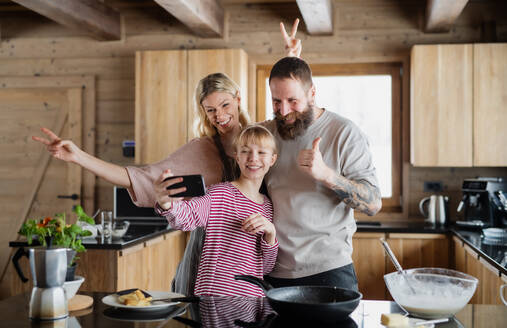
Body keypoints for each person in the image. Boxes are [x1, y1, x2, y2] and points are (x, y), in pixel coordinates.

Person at [261, 56, 382, 290]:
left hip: (329, 272)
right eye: (276, 101)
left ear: (312, 93)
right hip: (275, 272)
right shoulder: (266, 134)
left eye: (292, 100)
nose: (284, 110)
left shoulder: (344, 133)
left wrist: (326, 175)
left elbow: (373, 203)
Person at [154, 125, 279, 296]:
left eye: (262, 152)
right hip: (215, 298)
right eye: (245, 151)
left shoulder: (267, 207)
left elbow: (265, 267)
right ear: (237, 157)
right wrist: (167, 204)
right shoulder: (220, 194)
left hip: (252, 302)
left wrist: (270, 234)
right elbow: (186, 217)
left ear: (272, 159)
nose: (253, 158)